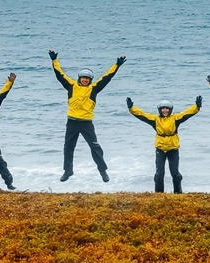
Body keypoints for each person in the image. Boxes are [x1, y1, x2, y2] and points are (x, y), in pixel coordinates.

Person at [49, 50, 124, 183]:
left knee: (95, 147)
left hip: (86, 123)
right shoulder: (71, 86)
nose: (85, 80)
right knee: (68, 147)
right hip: (72, 121)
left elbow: (107, 77)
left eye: (87, 78)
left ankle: (102, 171)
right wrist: (54, 60)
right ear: (79, 78)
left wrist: (116, 65)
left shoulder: (94, 88)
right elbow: (59, 75)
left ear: (90, 80)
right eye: (83, 78)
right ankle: (68, 171)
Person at [128, 95, 201, 193]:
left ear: (170, 109)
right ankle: (159, 193)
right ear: (159, 110)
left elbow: (186, 113)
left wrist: (196, 106)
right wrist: (131, 108)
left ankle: (178, 192)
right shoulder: (155, 119)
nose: (165, 110)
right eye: (163, 109)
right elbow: (142, 115)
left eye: (167, 108)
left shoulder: (175, 118)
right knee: (159, 174)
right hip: (160, 149)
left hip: (173, 149)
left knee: (175, 173)